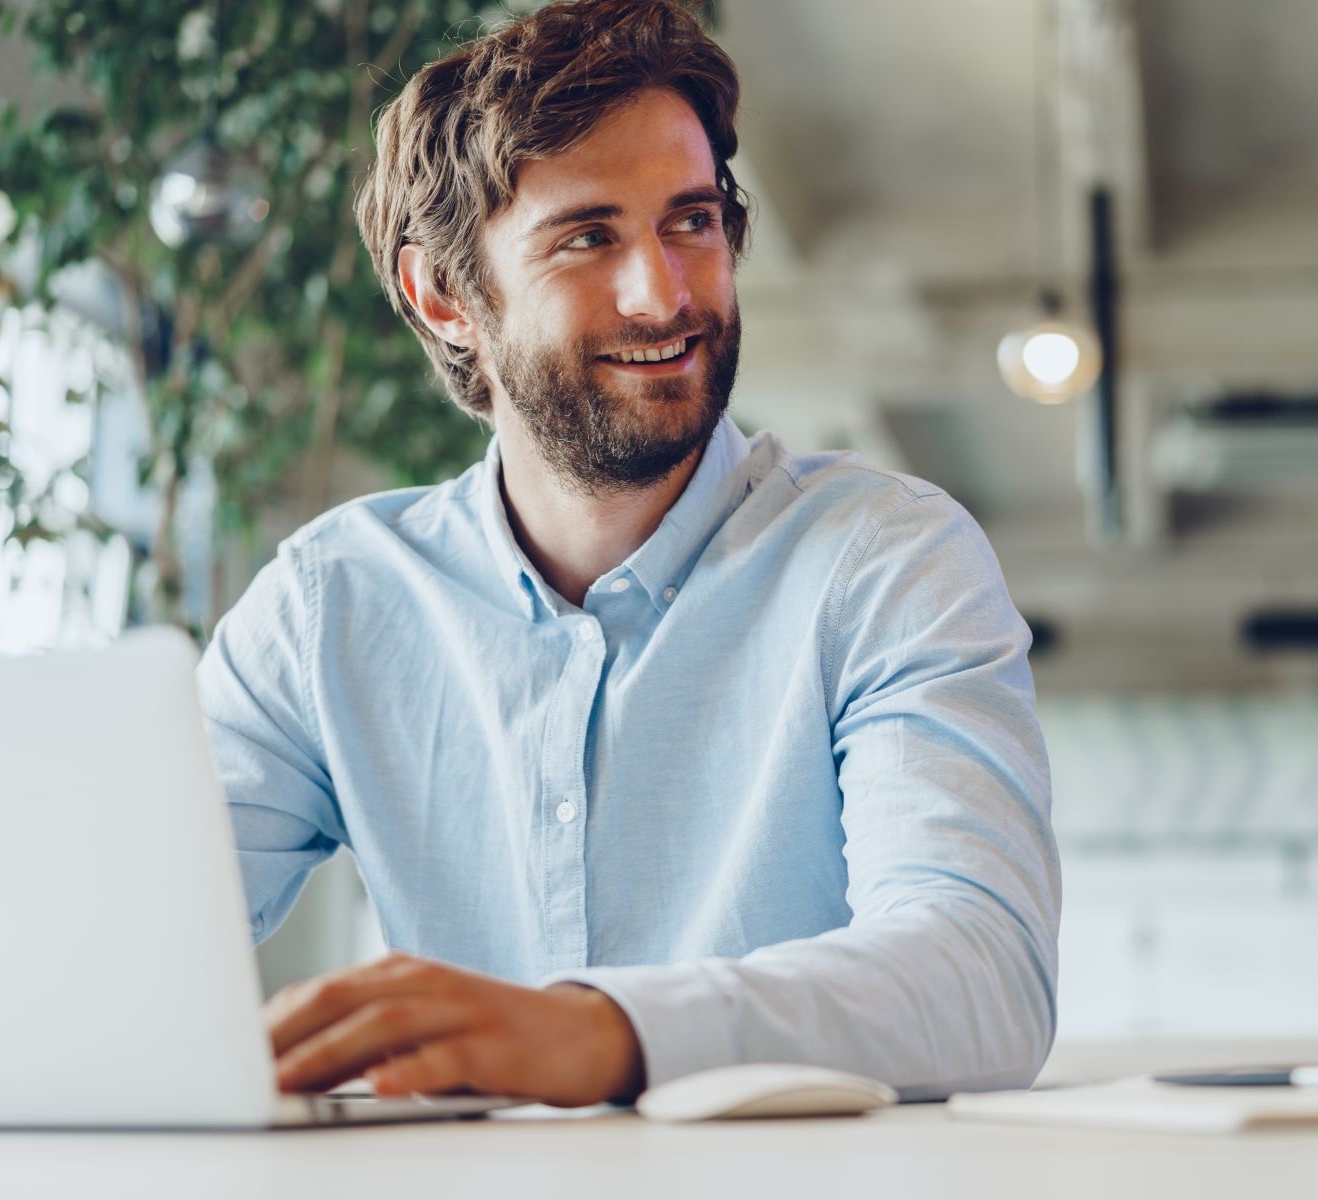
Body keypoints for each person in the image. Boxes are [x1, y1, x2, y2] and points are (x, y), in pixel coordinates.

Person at [198, 0, 1060, 1108]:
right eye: (588, 236)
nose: (664, 294)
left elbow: (981, 973)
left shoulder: (884, 560)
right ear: (445, 294)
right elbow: (117, 929)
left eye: (690, 222)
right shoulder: (329, 607)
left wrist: (602, 1034)